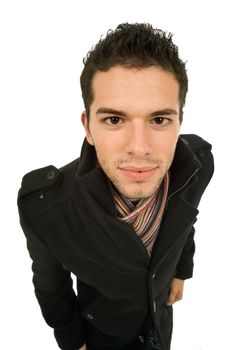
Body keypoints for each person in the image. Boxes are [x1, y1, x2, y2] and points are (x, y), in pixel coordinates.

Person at [17, 23, 214, 350]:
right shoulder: (46, 207)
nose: (139, 148)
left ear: (180, 120)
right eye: (114, 120)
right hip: (103, 333)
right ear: (88, 127)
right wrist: (72, 341)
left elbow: (185, 220)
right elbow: (52, 287)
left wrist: (181, 270)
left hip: (160, 322)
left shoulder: (198, 165)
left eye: (159, 120)